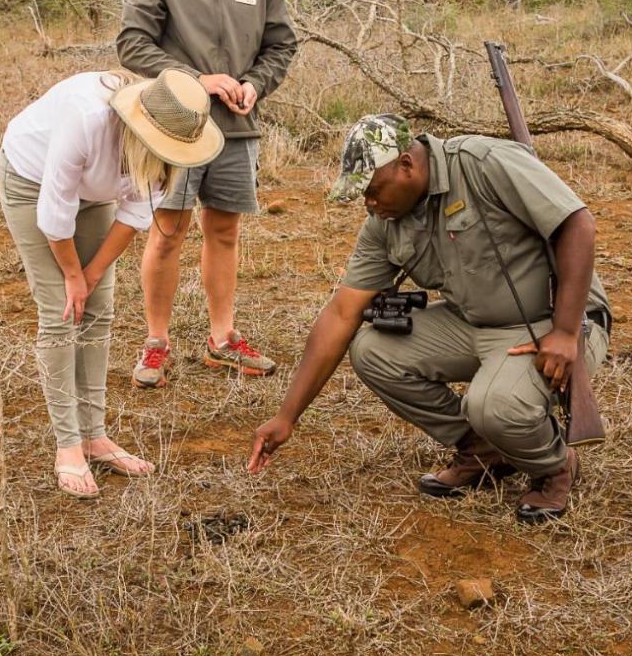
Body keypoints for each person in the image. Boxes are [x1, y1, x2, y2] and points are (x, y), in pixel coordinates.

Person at [248, 114, 612, 524]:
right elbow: (341, 313)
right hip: (470, 321)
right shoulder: (385, 223)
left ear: (406, 164)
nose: (369, 203)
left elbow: (578, 224)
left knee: (492, 405)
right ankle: (482, 451)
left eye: (373, 190)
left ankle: (555, 466)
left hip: (548, 321)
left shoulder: (481, 162)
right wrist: (286, 417)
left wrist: (564, 331)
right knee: (372, 350)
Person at [0, 68, 223, 498]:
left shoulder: (164, 142)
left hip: (92, 194)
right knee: (61, 312)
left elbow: (135, 213)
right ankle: (68, 446)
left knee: (98, 309)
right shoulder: (86, 120)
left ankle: (94, 436)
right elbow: (54, 211)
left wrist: (92, 273)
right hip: (32, 181)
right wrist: (71, 275)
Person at [117, 0, 297, 388]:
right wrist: (199, 80)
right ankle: (156, 344)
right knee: (167, 230)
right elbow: (132, 44)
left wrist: (255, 84)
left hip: (236, 128)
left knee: (223, 231)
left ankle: (222, 341)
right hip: (174, 128)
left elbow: (281, 45)